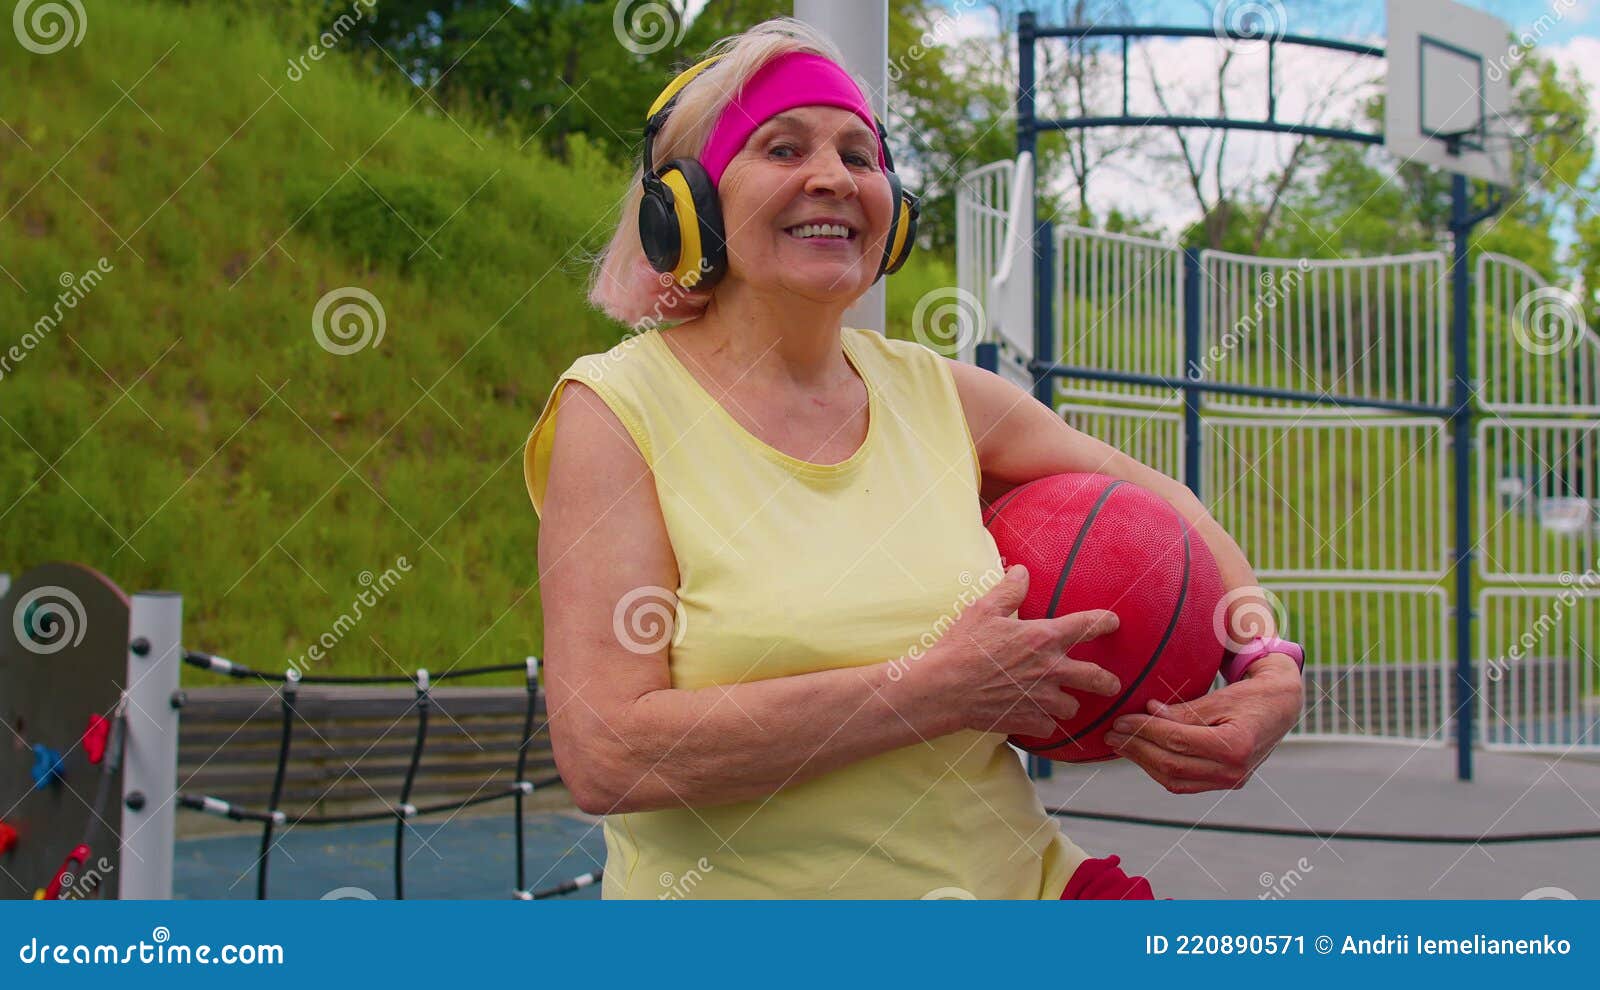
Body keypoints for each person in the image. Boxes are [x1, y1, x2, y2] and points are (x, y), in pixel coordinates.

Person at [523, 17, 1304, 899]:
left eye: (861, 157)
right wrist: (930, 690)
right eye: (783, 149)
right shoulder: (617, 410)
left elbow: (1175, 514)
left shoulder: (943, 396)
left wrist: (1265, 668)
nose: (834, 177)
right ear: (687, 208)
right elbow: (607, 755)